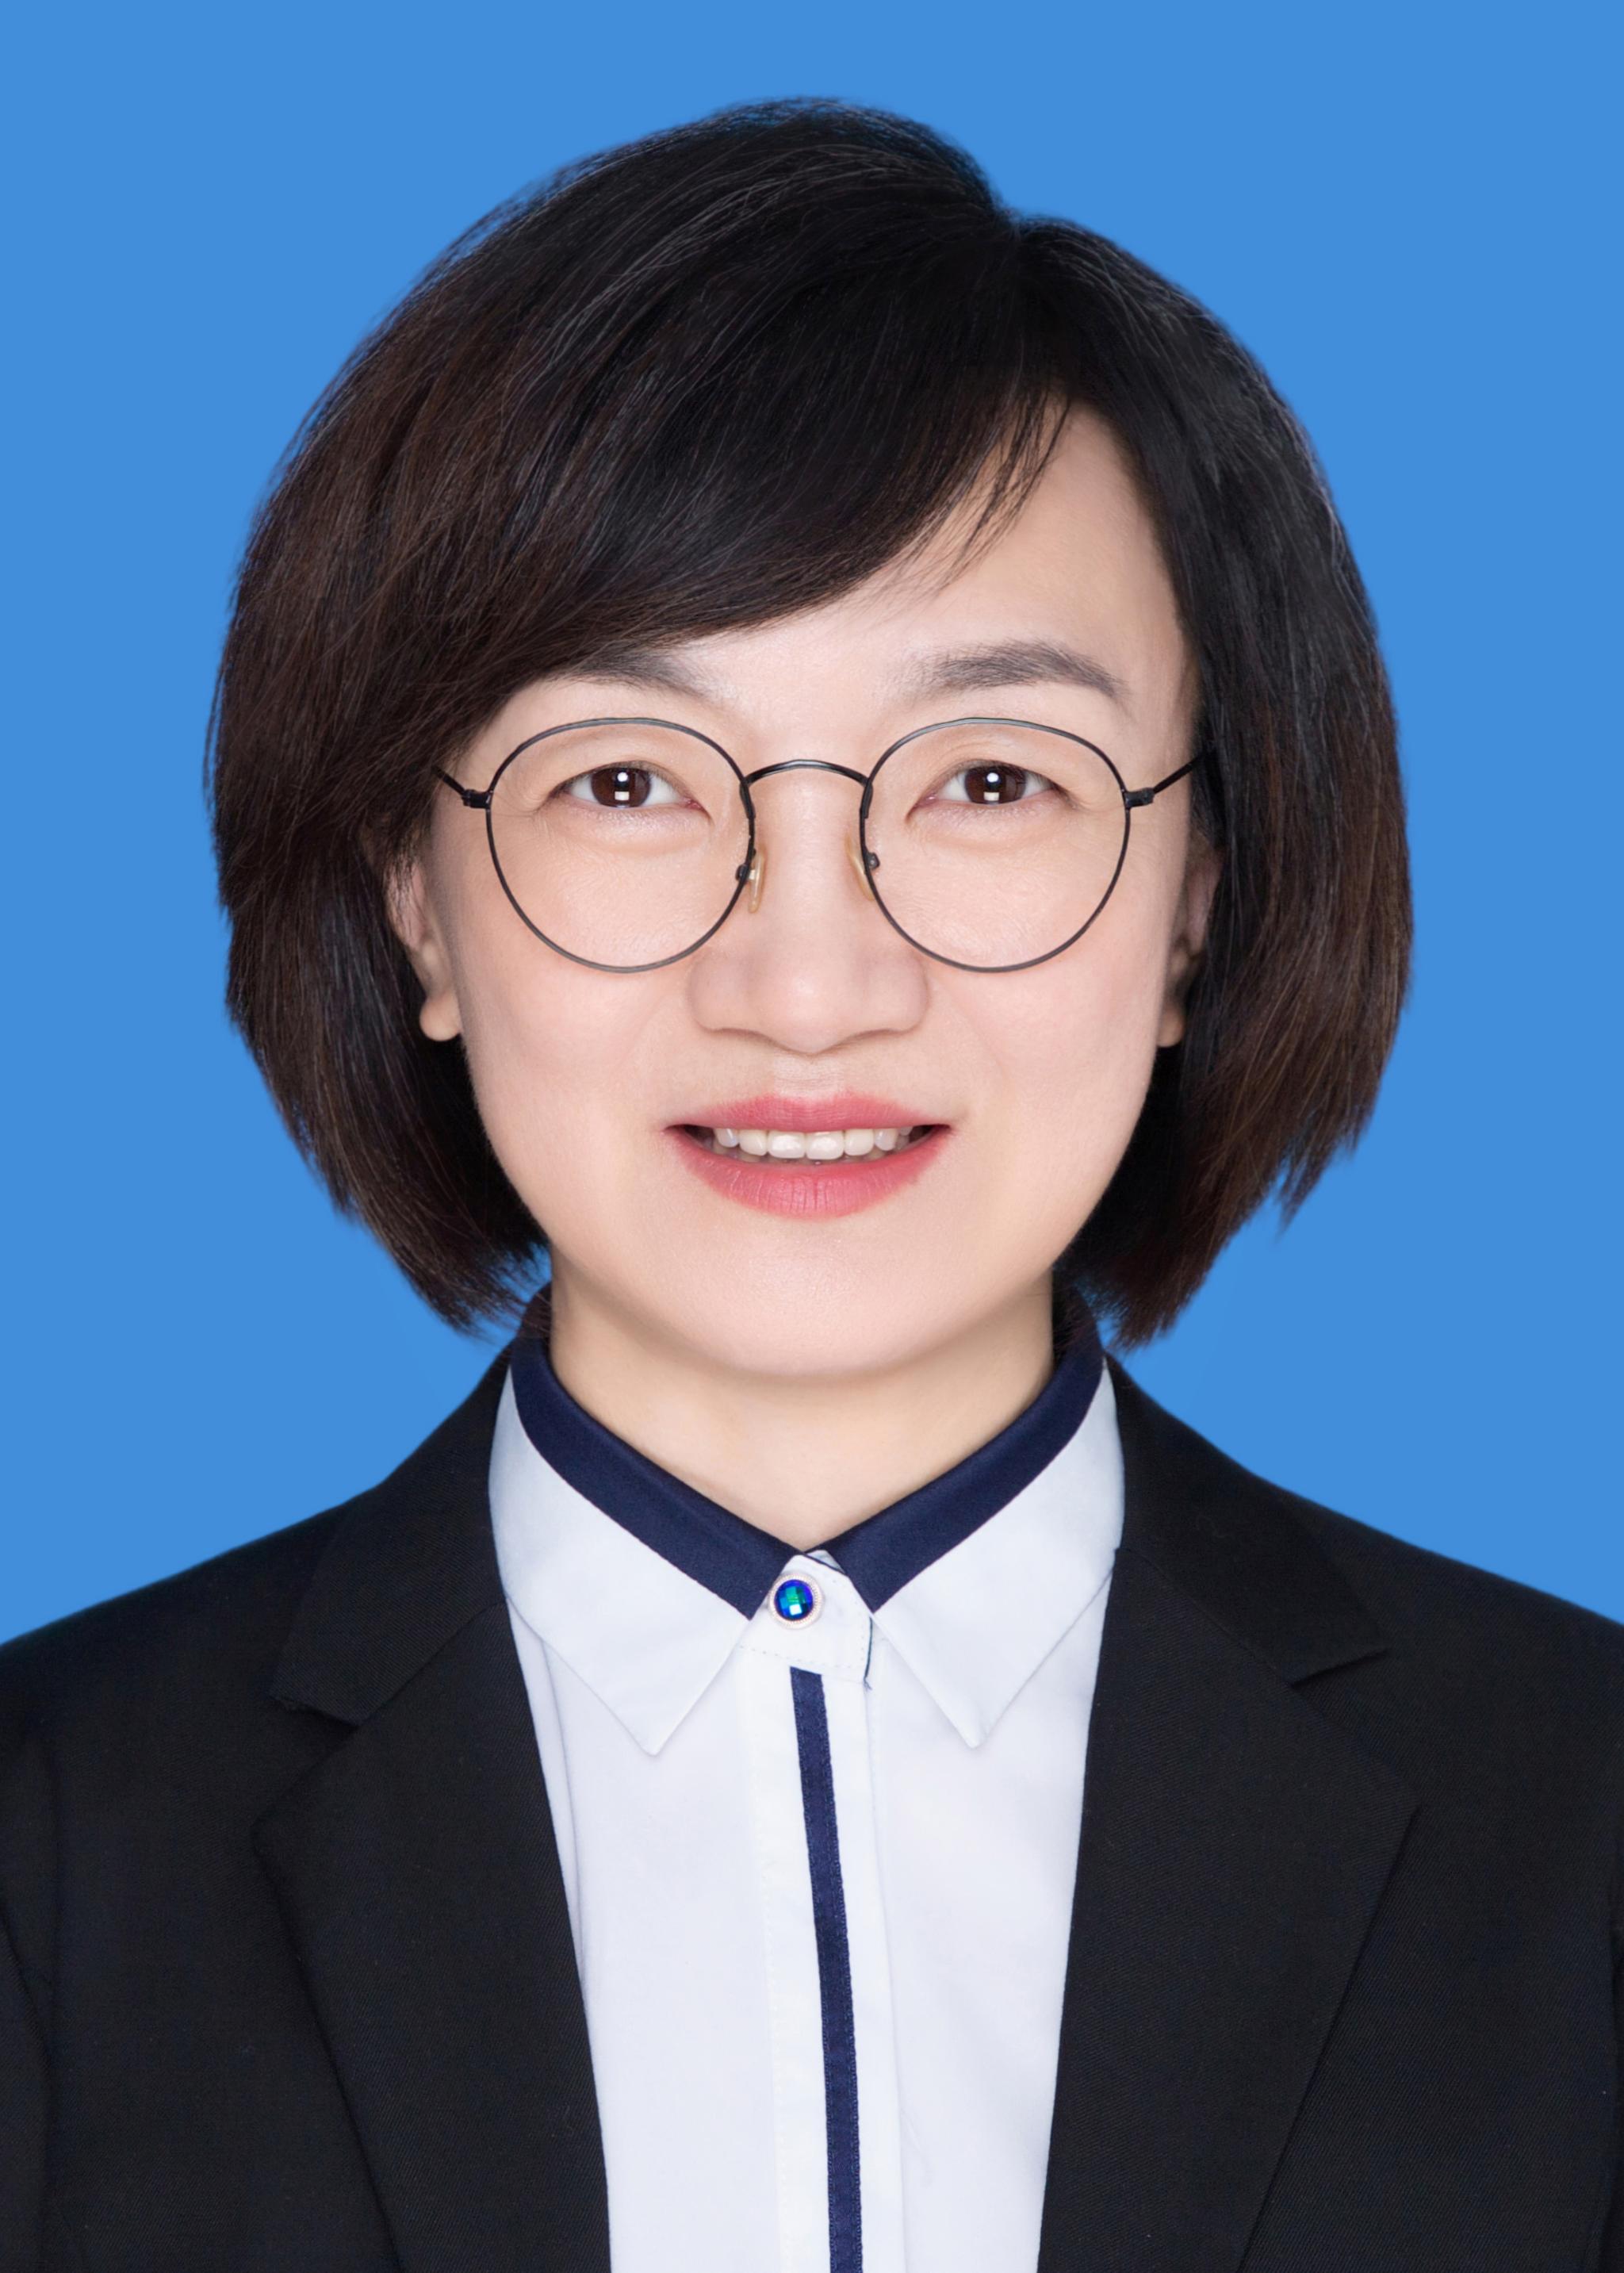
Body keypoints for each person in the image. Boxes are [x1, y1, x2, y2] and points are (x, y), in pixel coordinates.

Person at [1, 97, 1618, 2273]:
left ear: (1201, 895)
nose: (810, 979)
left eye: (990, 778)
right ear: (412, 898)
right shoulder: (47, 1841)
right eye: (626, 781)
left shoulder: (1583, 1818)